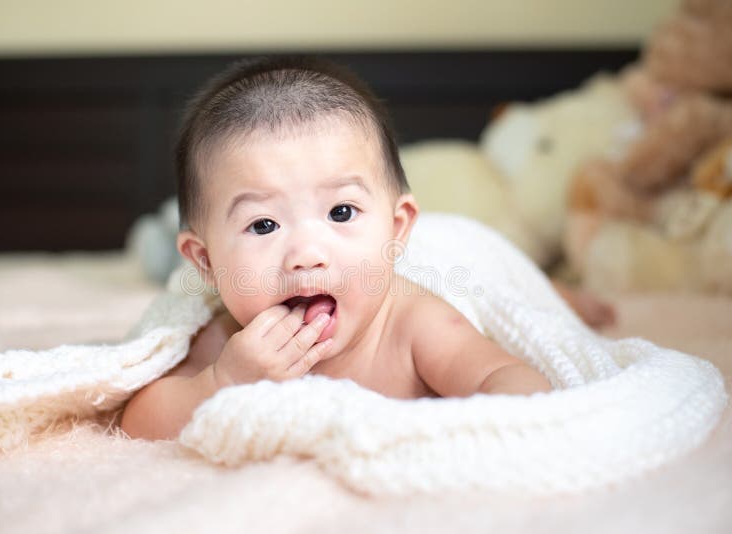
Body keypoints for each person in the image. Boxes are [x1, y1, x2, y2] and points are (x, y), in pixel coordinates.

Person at [120, 55, 615, 441]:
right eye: (264, 224)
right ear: (205, 262)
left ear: (396, 228)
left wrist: (482, 428)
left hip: (458, 253)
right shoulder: (223, 342)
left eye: (340, 213)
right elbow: (134, 422)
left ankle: (564, 293)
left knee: (517, 285)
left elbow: (512, 378)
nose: (307, 254)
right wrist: (221, 384)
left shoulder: (413, 326)